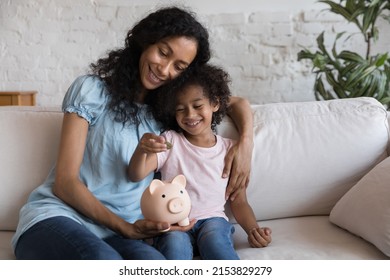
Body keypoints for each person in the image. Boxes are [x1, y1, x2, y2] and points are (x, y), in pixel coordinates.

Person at [11, 6, 254, 260]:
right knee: (106, 261)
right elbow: (65, 183)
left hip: (119, 235)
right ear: (145, 41)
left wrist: (245, 142)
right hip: (58, 217)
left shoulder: (169, 114)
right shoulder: (91, 91)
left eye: (179, 66)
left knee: (158, 266)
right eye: (163, 53)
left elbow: (236, 103)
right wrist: (125, 226)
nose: (165, 69)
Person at [128, 64, 272, 260]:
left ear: (215, 103)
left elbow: (239, 201)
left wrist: (253, 229)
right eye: (180, 109)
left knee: (215, 242)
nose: (190, 115)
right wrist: (141, 150)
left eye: (197, 106)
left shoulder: (230, 150)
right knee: (174, 246)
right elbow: (135, 174)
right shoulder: (170, 141)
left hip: (213, 220)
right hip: (175, 222)